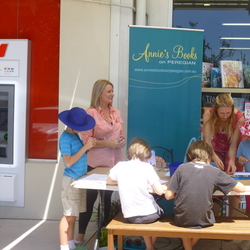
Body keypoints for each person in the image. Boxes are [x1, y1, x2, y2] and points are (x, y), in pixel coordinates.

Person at [165, 141, 246, 250]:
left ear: (189, 155)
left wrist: (184, 193)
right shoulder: (215, 172)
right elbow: (241, 189)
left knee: (186, 214)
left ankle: (188, 248)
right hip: (204, 220)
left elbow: (168, 195)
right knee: (204, 214)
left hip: (181, 219)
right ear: (209, 156)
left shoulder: (181, 169)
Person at [76, 79, 126, 243]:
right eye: (109, 91)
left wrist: (121, 140)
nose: (112, 94)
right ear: (99, 94)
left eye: (112, 91)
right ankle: (80, 237)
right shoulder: (90, 113)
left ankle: (105, 238)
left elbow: (120, 134)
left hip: (113, 165)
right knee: (89, 201)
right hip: (95, 164)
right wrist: (107, 143)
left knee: (106, 201)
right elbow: (87, 140)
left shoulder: (116, 113)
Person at [107, 138, 165, 250]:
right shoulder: (147, 167)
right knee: (160, 210)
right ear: (145, 155)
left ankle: (149, 246)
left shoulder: (120, 166)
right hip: (150, 215)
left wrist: (121, 180)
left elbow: (109, 181)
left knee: (142, 218)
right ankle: (150, 246)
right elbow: (159, 191)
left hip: (130, 215)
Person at [58, 107, 96, 250]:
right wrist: (85, 147)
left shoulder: (75, 136)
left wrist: (87, 147)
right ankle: (64, 246)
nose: (82, 129)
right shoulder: (65, 138)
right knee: (68, 215)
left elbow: (78, 155)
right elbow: (68, 162)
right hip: (71, 180)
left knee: (73, 215)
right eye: (80, 127)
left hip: (79, 180)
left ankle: (70, 243)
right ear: (72, 125)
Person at [203, 93, 245, 216]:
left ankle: (231, 218)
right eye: (222, 113)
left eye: (228, 113)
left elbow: (233, 144)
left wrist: (232, 160)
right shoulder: (208, 114)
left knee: (234, 181)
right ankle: (213, 216)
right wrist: (214, 156)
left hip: (233, 149)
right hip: (214, 148)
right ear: (216, 110)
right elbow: (207, 141)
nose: (225, 116)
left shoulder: (239, 117)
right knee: (215, 182)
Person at [236, 119, 250, 217]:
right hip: (248, 178)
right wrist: (240, 162)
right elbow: (238, 164)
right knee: (249, 207)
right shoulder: (243, 144)